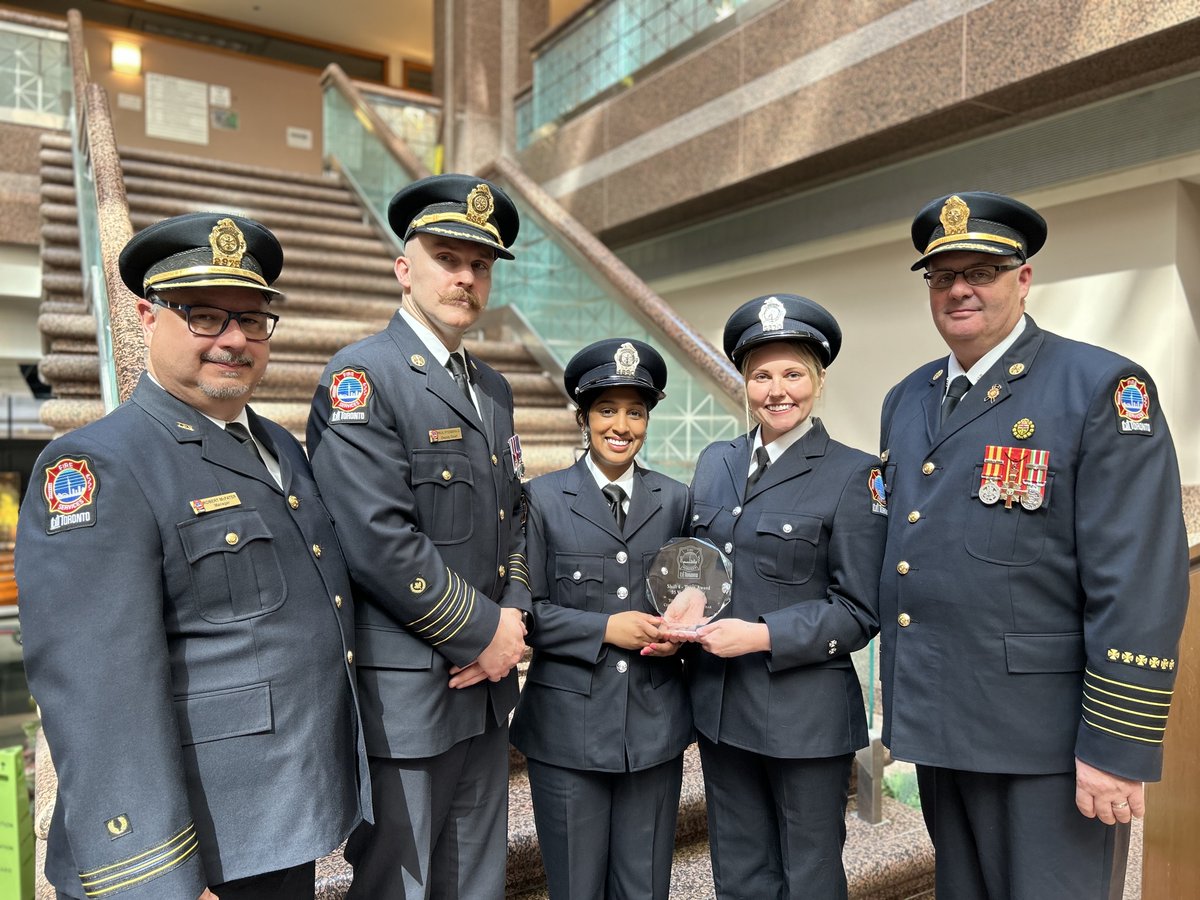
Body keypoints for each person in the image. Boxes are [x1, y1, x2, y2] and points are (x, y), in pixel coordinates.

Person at [16, 212, 370, 900]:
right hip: (195, 854)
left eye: (252, 319)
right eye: (204, 316)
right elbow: (97, 690)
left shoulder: (279, 448)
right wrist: (153, 877)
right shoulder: (98, 465)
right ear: (147, 318)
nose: (234, 339)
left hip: (279, 819)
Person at [878, 191, 1190, 898]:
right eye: (941, 275)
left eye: (980, 271)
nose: (959, 289)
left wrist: (1115, 747)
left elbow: (1138, 579)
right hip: (942, 727)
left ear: (1023, 279)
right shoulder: (908, 398)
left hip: (1050, 744)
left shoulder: (1100, 386)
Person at [306, 174, 531, 900]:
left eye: (481, 265)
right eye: (446, 257)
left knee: (477, 884)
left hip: (487, 687)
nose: (465, 277)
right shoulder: (362, 377)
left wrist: (515, 619)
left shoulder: (491, 388)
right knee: (398, 888)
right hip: (410, 693)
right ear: (405, 268)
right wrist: (482, 635)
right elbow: (376, 538)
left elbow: (516, 517)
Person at [683, 295, 885, 899]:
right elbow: (703, 562)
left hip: (804, 715)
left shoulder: (856, 473)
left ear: (819, 381)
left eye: (793, 373)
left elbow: (858, 610)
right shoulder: (714, 461)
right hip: (721, 708)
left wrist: (762, 633)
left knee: (809, 875)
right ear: (744, 383)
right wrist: (687, 601)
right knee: (738, 873)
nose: (777, 390)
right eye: (761, 375)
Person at [509, 338, 692, 900]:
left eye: (635, 412)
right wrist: (605, 628)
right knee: (575, 887)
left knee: (645, 887)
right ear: (583, 418)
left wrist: (678, 640)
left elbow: (694, 599)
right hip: (567, 727)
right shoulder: (540, 498)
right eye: (607, 410)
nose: (621, 425)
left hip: (653, 728)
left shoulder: (677, 499)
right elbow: (525, 610)